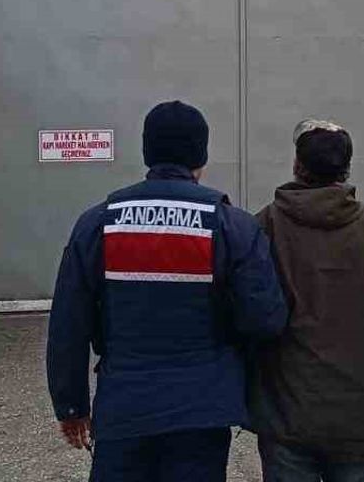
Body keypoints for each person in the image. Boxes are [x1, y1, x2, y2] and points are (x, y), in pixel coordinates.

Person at [46, 100, 288, 482]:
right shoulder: (232, 226)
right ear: (201, 156)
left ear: (147, 151)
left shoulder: (99, 223)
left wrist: (71, 405)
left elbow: (68, 324)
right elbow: (265, 319)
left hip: (123, 407)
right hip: (202, 411)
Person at [249, 119, 364, 482]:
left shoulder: (266, 224)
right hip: (359, 408)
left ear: (297, 164)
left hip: (286, 407)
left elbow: (252, 316)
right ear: (346, 169)